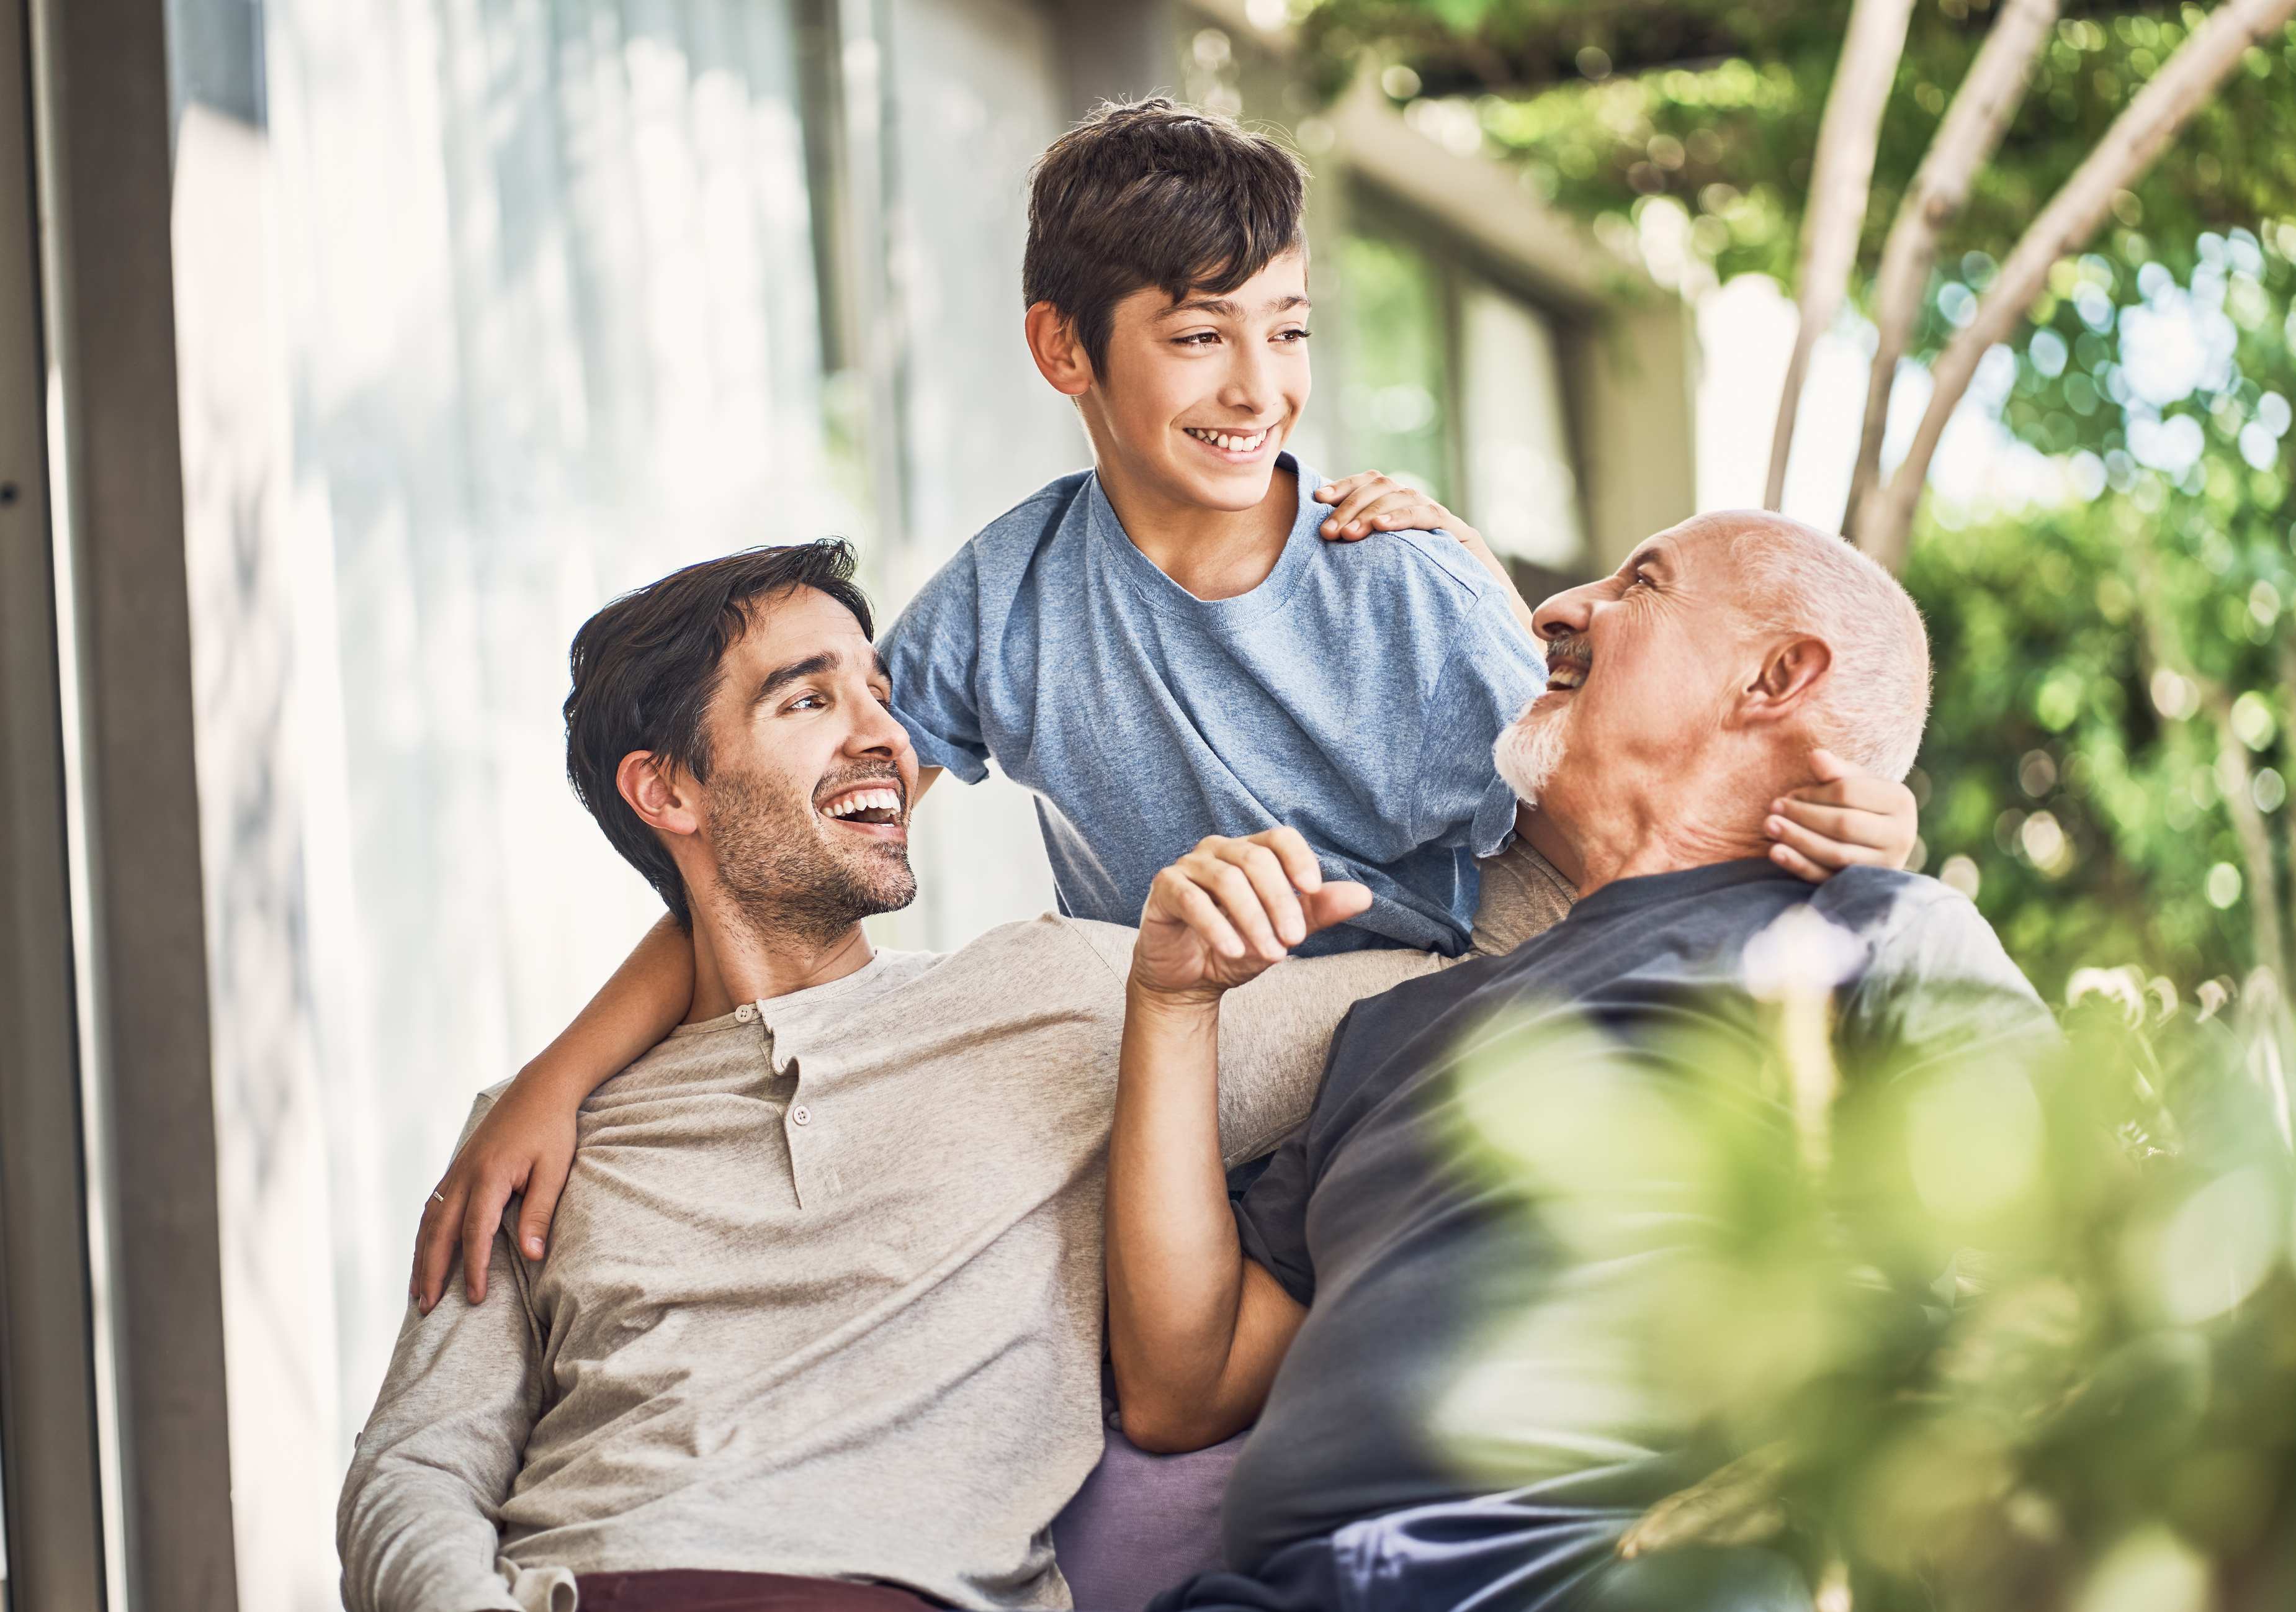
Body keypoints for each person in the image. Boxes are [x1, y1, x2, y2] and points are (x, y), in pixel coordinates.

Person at [406, 98, 1915, 1313]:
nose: (1258, 384)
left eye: (1292, 328)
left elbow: (1626, 830)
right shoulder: (1011, 600)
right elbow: (779, 870)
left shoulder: (1398, 584)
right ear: (1066, 350)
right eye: (1201, 335)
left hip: (1436, 1017)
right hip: (1188, 1054)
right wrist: (557, 1080)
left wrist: (1859, 829)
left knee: (1050, 1005)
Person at [338, 543, 1575, 1612]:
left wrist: (1506, 637)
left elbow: (1489, 972)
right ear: (668, 790)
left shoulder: (1072, 998)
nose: (884, 732)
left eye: (878, 691)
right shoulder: (537, 1135)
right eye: (806, 700)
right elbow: (415, 1467)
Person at [1103, 511, 2060, 1611]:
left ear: (1776, 675)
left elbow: (2069, 1271)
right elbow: (1186, 1388)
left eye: (1638, 584)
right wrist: (1172, 1001)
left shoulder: (1874, 935)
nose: (1556, 612)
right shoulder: (1396, 1024)